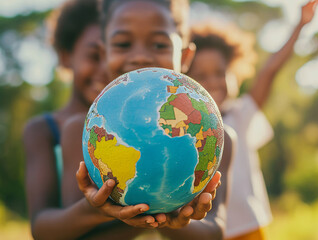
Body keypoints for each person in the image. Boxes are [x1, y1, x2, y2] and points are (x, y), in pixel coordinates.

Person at [59, 0, 235, 239]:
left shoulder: (212, 137)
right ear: (103, 53)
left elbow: (215, 232)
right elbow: (46, 230)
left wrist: (173, 220)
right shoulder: (85, 133)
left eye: (159, 44)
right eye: (123, 44)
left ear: (184, 57)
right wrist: (95, 210)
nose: (140, 56)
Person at [186, 0, 318, 239]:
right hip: (200, 231)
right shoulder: (180, 127)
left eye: (220, 73)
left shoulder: (241, 114)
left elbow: (269, 70)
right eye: (201, 76)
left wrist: (300, 25)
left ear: (234, 74)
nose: (213, 82)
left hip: (248, 227)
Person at [23, 0, 108, 238]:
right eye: (94, 55)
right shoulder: (43, 130)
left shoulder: (136, 130)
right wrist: (98, 210)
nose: (105, 69)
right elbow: (41, 227)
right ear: (65, 56)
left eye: (114, 52)